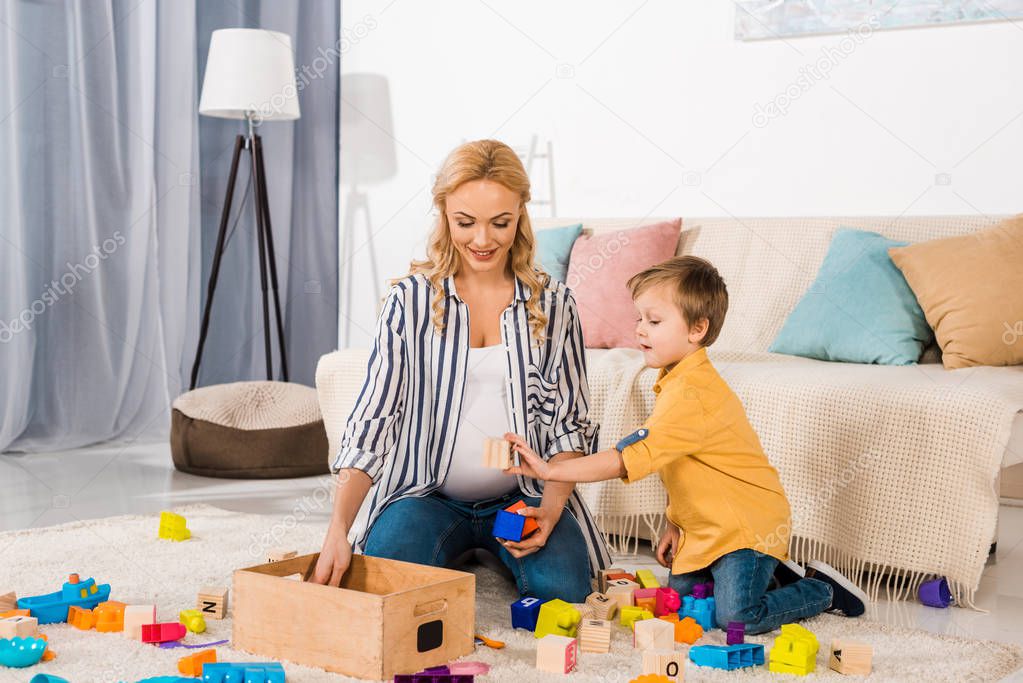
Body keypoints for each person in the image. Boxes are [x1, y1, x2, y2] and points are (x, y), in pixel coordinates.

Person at [311, 139, 610, 602]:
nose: (483, 240)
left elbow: (569, 428)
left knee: (566, 592)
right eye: (465, 222)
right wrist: (337, 531)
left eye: (501, 223)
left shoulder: (554, 305)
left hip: (522, 497)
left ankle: (492, 551)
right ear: (444, 215)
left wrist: (550, 511)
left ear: (521, 215)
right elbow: (372, 424)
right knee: (385, 585)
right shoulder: (408, 302)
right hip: (426, 496)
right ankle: (466, 549)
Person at [505, 255, 867, 633]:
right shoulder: (673, 380)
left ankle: (820, 589)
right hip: (708, 528)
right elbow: (685, 470)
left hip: (747, 528)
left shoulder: (692, 394)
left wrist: (552, 470)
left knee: (736, 618)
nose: (640, 331)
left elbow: (623, 459)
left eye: (654, 321)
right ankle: (773, 571)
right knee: (681, 601)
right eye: (639, 319)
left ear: (697, 329)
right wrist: (677, 526)